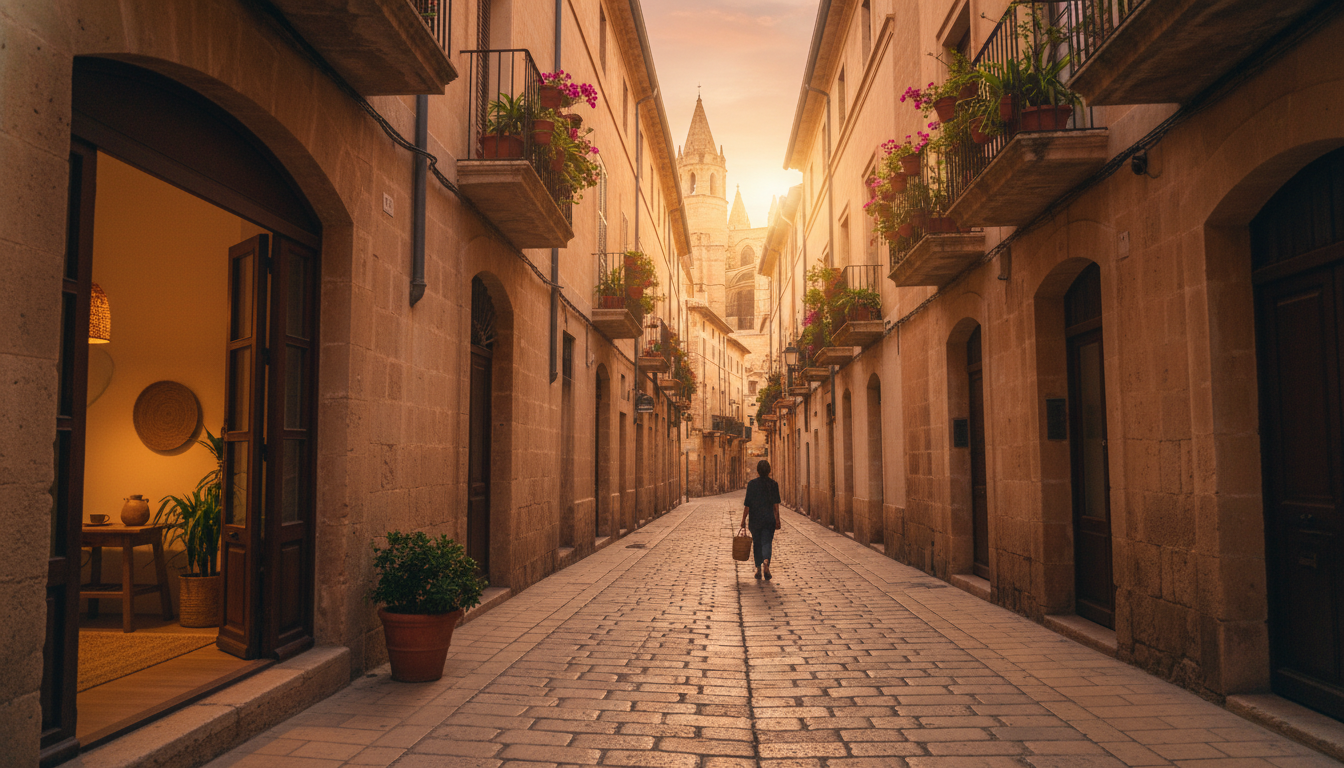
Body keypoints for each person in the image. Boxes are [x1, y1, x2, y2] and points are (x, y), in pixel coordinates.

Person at [740, 460, 781, 580]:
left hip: (755, 519)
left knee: (757, 543)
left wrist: (743, 520)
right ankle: (766, 562)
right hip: (769, 519)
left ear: (757, 471)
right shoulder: (773, 484)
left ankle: (758, 568)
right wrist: (777, 519)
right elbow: (775, 505)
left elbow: (747, 505)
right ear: (769, 471)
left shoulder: (752, 484)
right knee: (767, 541)